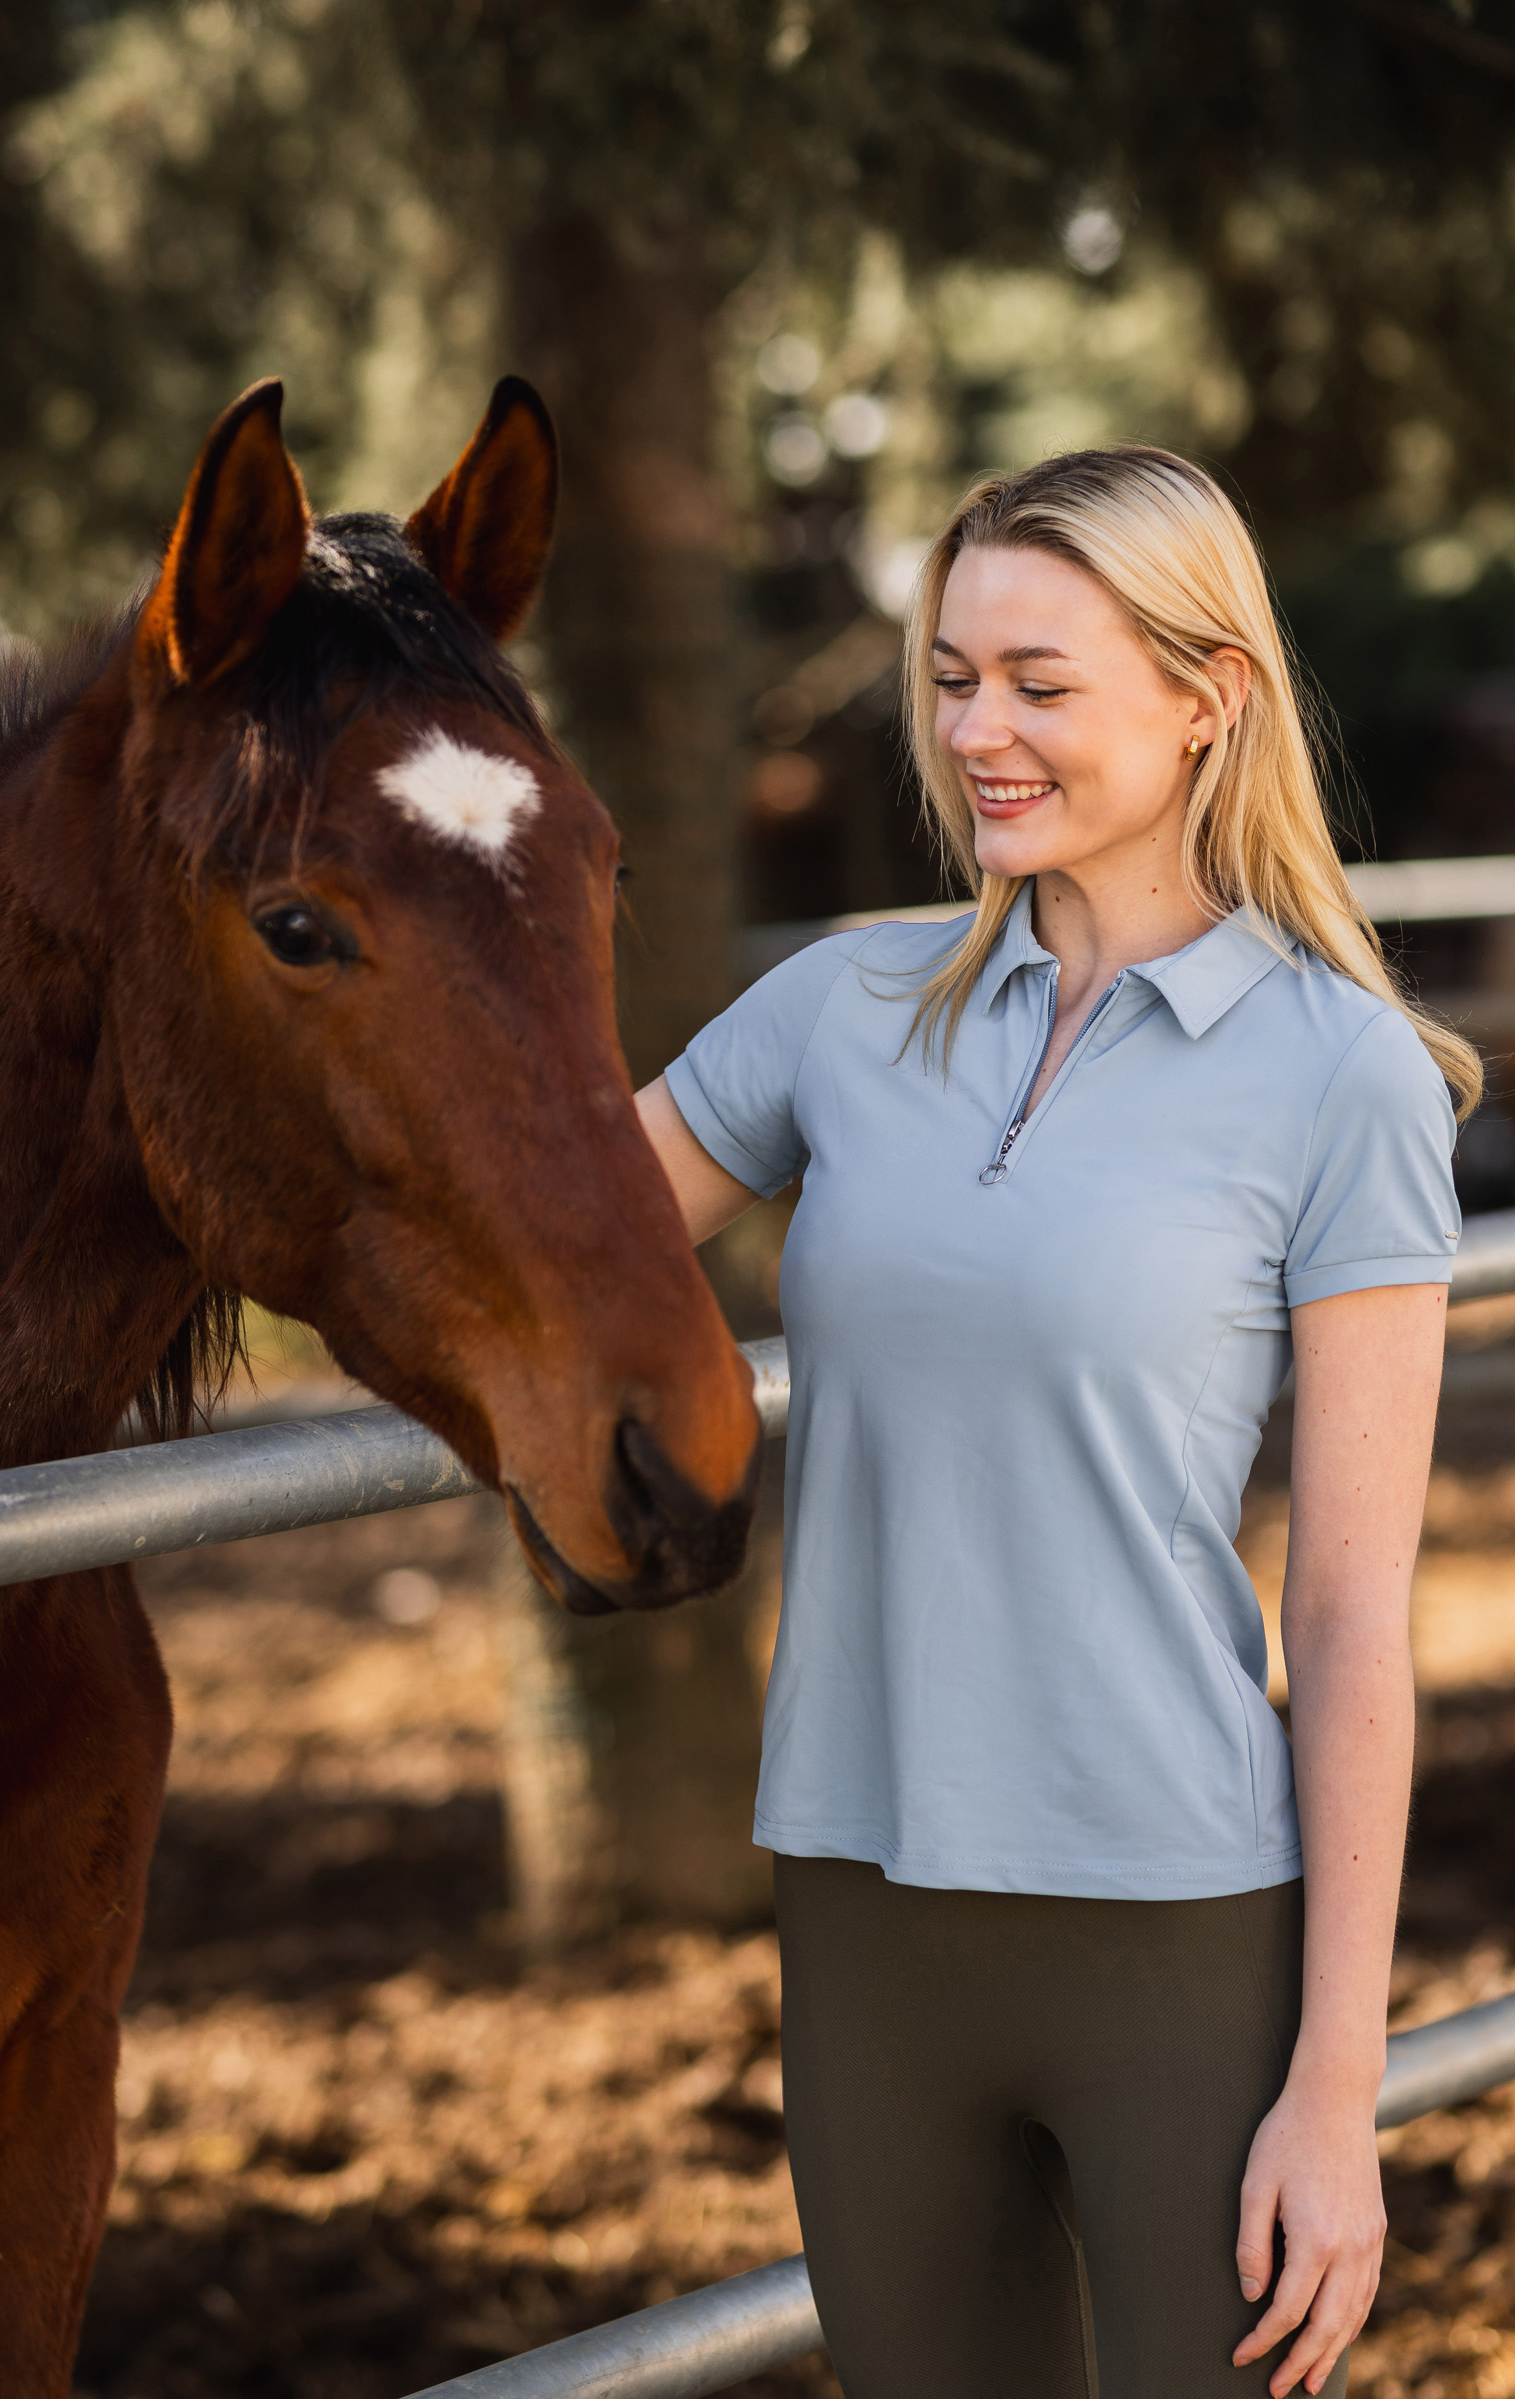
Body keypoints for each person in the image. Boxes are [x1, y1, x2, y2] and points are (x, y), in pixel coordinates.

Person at [634, 447, 1480, 2399]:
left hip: (1173, 1924)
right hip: (859, 1903)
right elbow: (536, 1235)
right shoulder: (838, 1013)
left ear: (1206, 699)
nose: (973, 733)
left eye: (1037, 681)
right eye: (948, 677)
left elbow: (1355, 1615)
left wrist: (1333, 2090)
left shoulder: (1334, 1076)